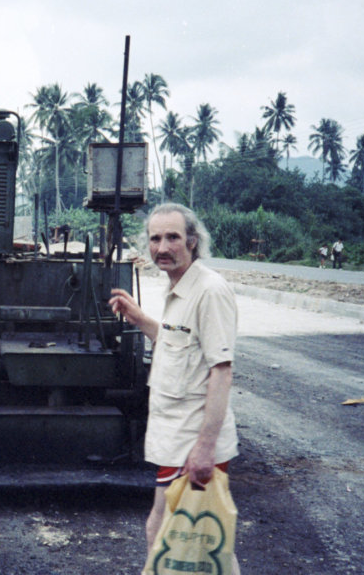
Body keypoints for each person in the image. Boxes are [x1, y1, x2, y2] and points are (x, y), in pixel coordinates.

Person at [109, 203, 240, 573]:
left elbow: (222, 370)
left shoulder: (209, 291)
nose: (162, 247)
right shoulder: (179, 289)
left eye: (173, 237)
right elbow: (176, 343)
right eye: (155, 238)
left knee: (182, 535)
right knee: (195, 539)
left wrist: (204, 448)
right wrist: (139, 319)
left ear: (193, 242)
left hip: (193, 437)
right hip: (175, 435)